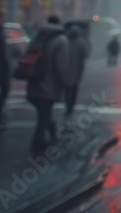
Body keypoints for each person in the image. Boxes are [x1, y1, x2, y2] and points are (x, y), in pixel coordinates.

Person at [27, 15, 70, 151]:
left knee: (43, 112)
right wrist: (65, 83)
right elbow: (61, 66)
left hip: (34, 80)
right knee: (44, 112)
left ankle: (50, 131)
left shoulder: (38, 36)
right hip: (49, 83)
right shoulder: (61, 40)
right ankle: (38, 140)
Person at [65, 22, 89, 117]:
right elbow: (85, 54)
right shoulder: (80, 42)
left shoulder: (66, 40)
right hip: (77, 69)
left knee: (68, 89)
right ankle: (71, 106)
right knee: (73, 89)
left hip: (67, 68)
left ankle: (69, 106)